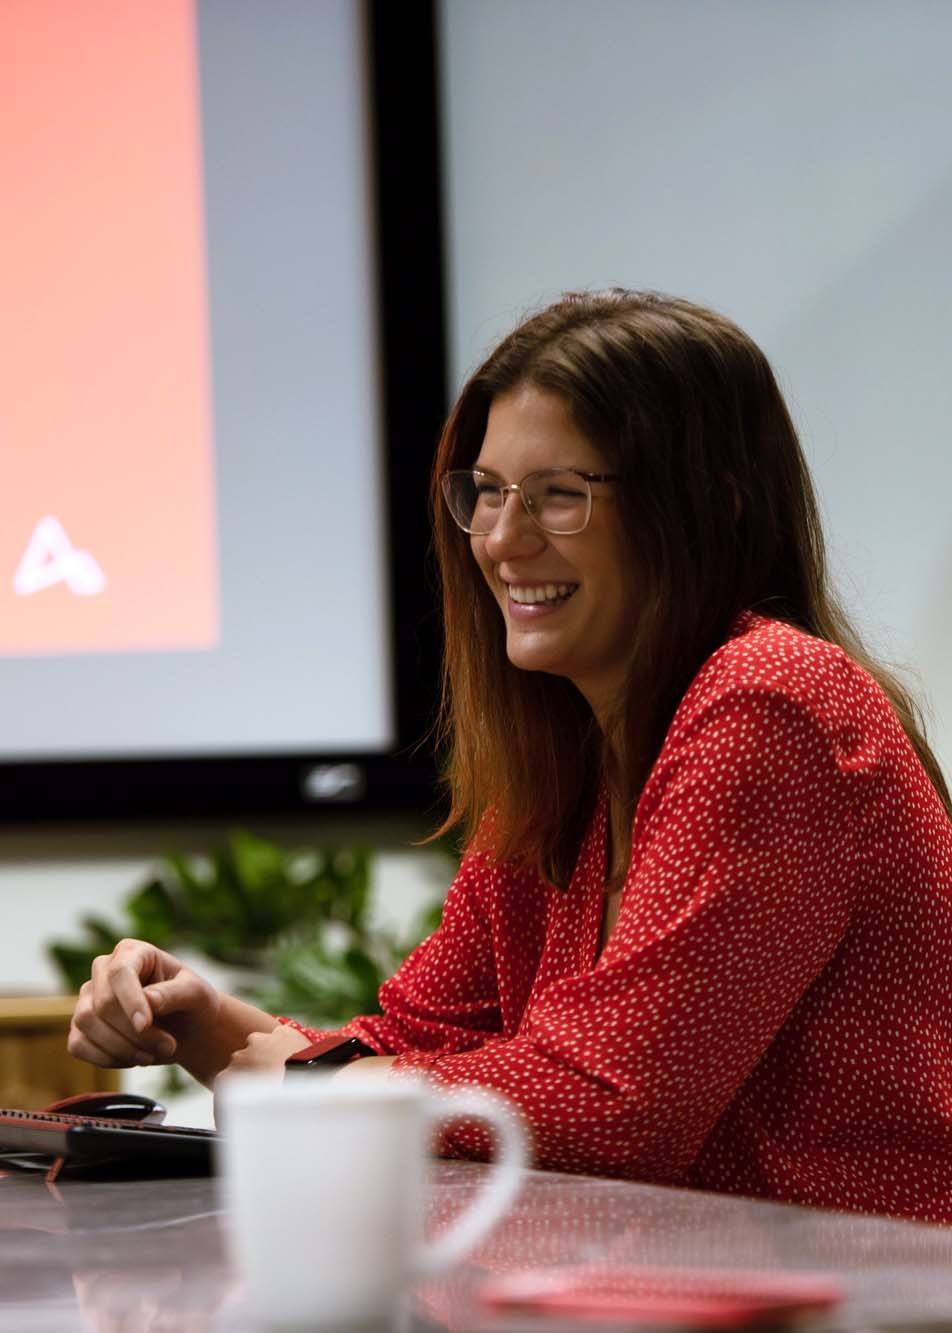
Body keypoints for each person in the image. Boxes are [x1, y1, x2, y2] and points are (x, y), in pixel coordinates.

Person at [69, 290, 952, 1221]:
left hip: (861, 1299)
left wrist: (318, 1086)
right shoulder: (567, 754)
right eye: (486, 491)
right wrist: (211, 1027)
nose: (500, 539)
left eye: (559, 495)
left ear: (714, 505)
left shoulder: (769, 702)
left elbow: (612, 1110)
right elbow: (417, 1037)